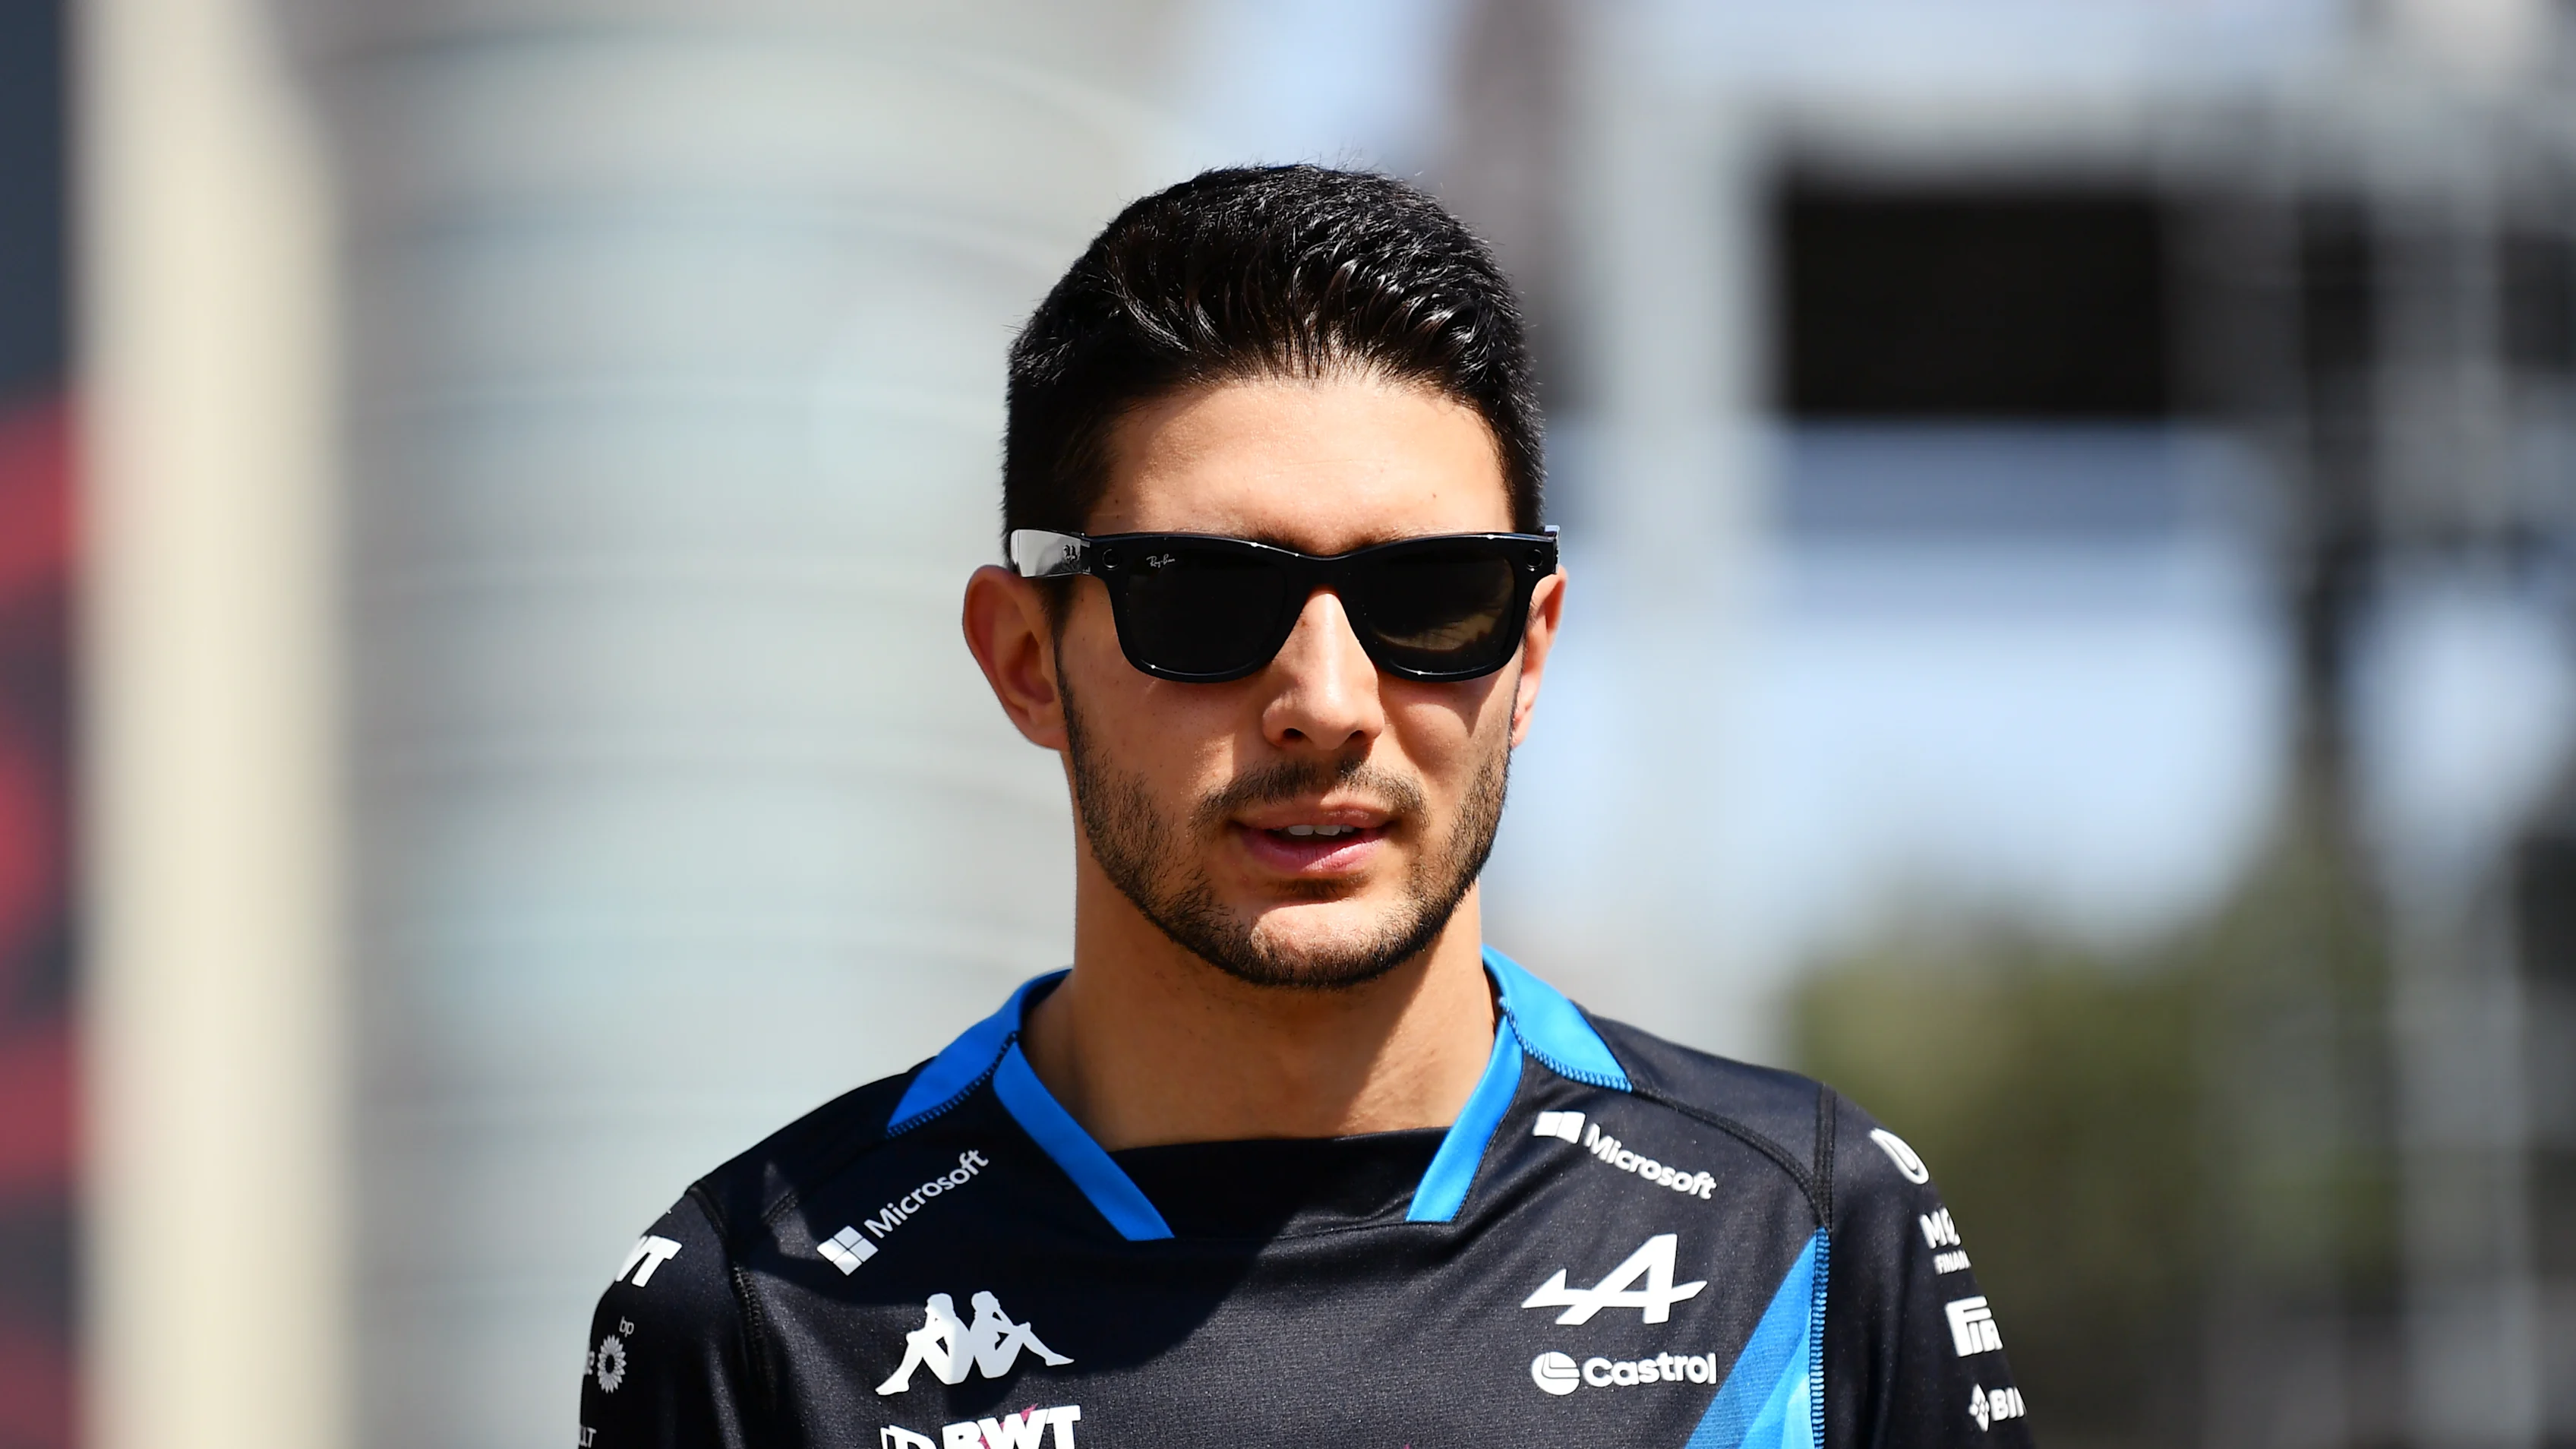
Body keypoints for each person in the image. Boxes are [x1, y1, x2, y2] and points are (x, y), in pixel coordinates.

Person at [578, 165, 2033, 1449]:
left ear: (1529, 654)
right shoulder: (763, 1301)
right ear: (1027, 660)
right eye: (1206, 599)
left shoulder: (1804, 1232)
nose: (1327, 701)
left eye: (1434, 600)